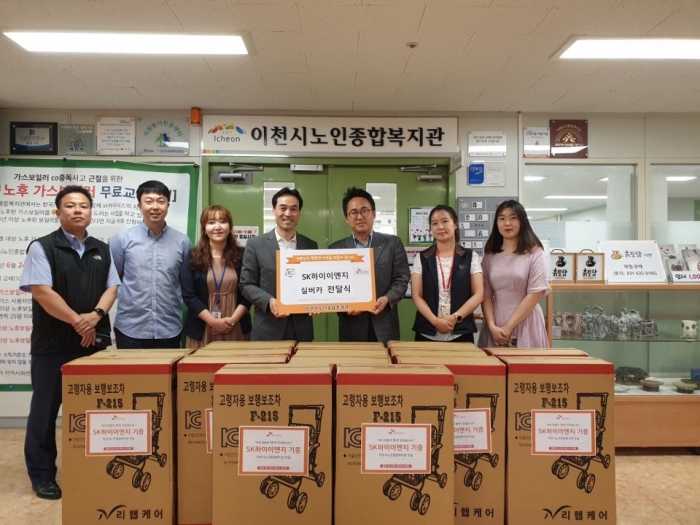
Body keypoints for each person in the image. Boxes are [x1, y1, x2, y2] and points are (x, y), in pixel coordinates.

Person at [19, 185, 120, 500]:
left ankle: (93, 469)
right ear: (58, 211)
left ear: (91, 211)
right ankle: (42, 475)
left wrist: (96, 315)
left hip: (94, 345)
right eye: (70, 205)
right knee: (44, 413)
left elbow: (112, 288)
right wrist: (79, 321)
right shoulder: (42, 247)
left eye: (84, 205)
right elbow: (42, 292)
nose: (78, 210)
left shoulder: (102, 248)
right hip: (53, 345)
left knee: (95, 411)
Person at [109, 180, 192, 348]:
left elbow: (186, 283)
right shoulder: (122, 239)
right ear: (139, 206)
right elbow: (113, 281)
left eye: (161, 201)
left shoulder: (183, 242)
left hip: (169, 328)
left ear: (168, 205)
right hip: (130, 328)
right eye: (149, 201)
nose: (155, 207)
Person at [329, 187, 409, 342]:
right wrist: (345, 307)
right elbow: (333, 286)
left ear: (374, 213)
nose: (360, 216)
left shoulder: (392, 243)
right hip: (352, 327)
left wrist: (387, 299)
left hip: (384, 324)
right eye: (354, 212)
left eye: (365, 210)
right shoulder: (336, 249)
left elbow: (402, 278)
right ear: (346, 218)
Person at [240, 187, 318, 341]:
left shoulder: (310, 245)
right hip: (268, 329)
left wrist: (317, 301)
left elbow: (314, 281)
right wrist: (269, 301)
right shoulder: (256, 244)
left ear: (299, 213)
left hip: (301, 330)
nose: (288, 213)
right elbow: (246, 284)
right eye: (283, 208)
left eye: (293, 209)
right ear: (274, 211)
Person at [477, 199, 551, 348]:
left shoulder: (535, 253)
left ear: (522, 221)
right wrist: (491, 326)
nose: (507, 223)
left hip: (526, 320)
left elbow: (536, 293)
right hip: (495, 322)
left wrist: (508, 326)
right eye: (502, 218)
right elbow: (485, 294)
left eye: (513, 218)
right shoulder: (490, 255)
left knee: (525, 362)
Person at [181, 205, 252, 347]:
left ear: (229, 227)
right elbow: (189, 295)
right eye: (211, 222)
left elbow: (249, 292)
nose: (218, 227)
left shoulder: (243, 255)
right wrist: (213, 322)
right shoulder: (193, 256)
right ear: (204, 228)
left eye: (223, 221)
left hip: (236, 323)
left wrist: (232, 321)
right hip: (202, 324)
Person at [411, 205, 483, 342]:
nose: (440, 227)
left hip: (461, 332)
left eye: (445, 221)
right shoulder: (422, 258)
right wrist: (435, 321)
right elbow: (416, 296)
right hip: (427, 332)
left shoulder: (470, 257)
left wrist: (455, 318)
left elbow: (478, 294)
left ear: (455, 224)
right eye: (434, 223)